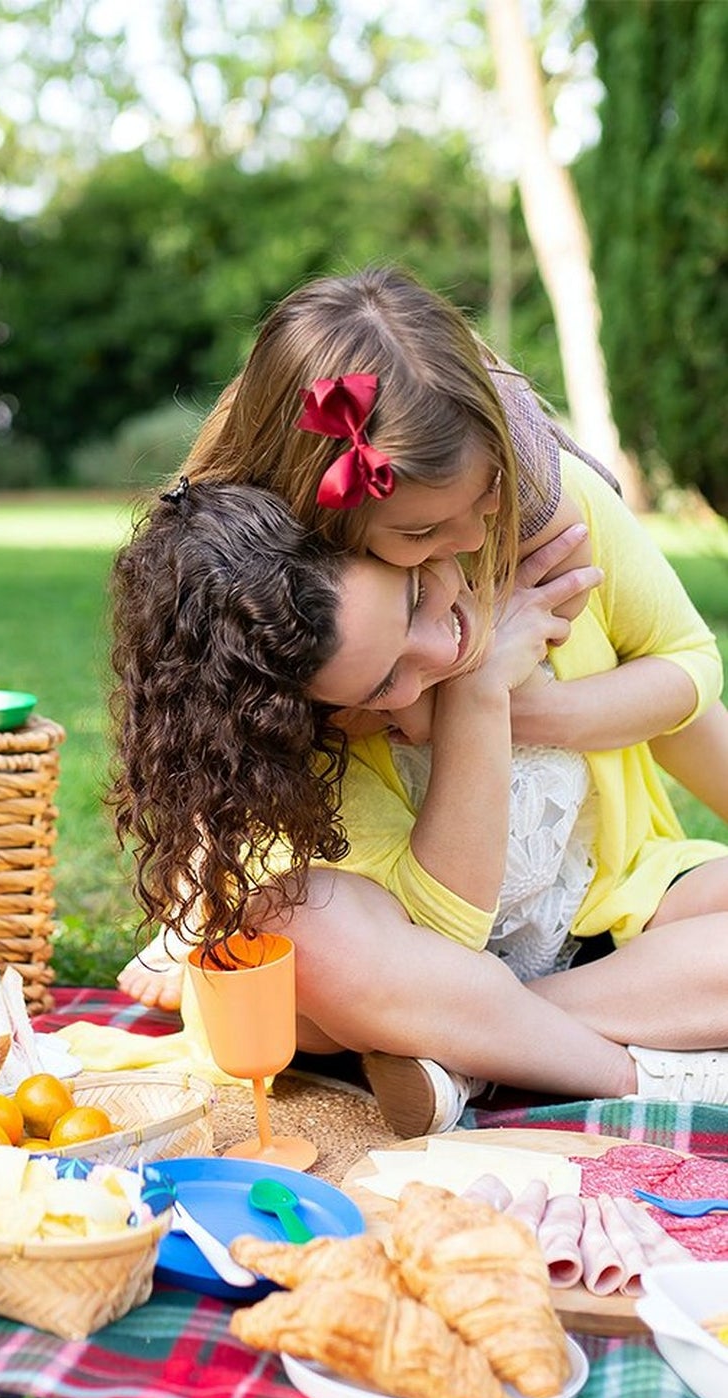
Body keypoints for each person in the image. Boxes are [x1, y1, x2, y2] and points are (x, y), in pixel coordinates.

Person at [116, 265, 728, 1015]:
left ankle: (506, 1032)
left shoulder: (548, 515)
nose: (470, 536)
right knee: (302, 962)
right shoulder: (296, 625)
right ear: (324, 520)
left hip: (606, 892)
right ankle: (516, 1025)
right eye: (419, 534)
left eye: (486, 495)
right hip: (408, 928)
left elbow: (689, 667)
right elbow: (221, 757)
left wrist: (522, 707)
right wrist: (466, 695)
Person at [92, 474, 728, 1136]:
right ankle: (632, 1072)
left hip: (608, 923)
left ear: (394, 539)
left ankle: (468, 1058)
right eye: (383, 681)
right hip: (408, 978)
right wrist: (475, 695)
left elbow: (686, 682)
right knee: (302, 928)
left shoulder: (539, 538)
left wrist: (525, 706)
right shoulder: (306, 729)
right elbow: (447, 939)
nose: (440, 648)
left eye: (416, 596)